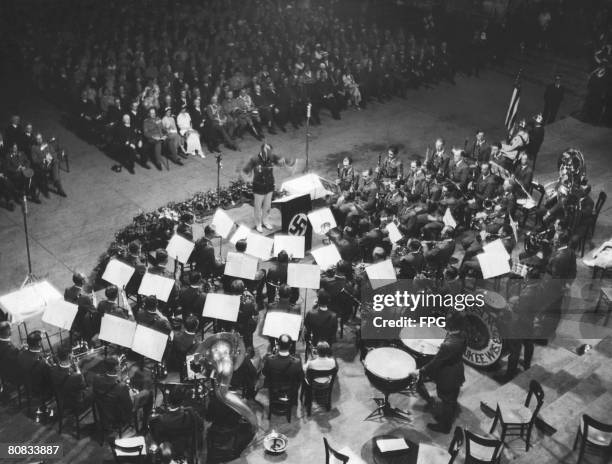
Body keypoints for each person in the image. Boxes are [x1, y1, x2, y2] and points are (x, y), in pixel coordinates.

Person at [413, 311, 467, 433]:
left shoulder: (448, 345)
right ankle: (445, 418)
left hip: (448, 375)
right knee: (451, 399)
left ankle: (445, 426)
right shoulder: (462, 334)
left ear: (450, 324)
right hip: (457, 368)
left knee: (447, 399)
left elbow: (435, 363)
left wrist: (420, 371)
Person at [91, 356, 153, 433]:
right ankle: (144, 427)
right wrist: (134, 395)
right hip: (117, 415)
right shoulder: (121, 386)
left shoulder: (96, 378)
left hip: (103, 409)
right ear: (116, 367)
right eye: (118, 365)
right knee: (149, 395)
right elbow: (129, 407)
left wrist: (118, 377)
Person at [242, 143, 294, 232]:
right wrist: (247, 180)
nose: (269, 154)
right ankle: (258, 224)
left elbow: (281, 162)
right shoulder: (255, 159)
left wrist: (283, 162)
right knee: (258, 207)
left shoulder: (272, 157)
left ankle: (265, 221)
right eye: (267, 151)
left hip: (269, 186)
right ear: (262, 151)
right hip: (258, 187)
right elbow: (245, 171)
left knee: (267, 205)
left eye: (270, 151)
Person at [149, 386, 204, 459]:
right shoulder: (191, 414)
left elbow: (156, 437)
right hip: (186, 451)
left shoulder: (161, 419)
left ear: (168, 401)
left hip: (169, 452)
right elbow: (201, 426)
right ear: (182, 401)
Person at [49, 346, 92, 412]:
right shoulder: (77, 376)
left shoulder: (52, 370)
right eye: (72, 354)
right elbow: (84, 386)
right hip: (74, 402)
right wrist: (78, 370)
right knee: (93, 389)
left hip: (61, 399)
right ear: (69, 356)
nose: (73, 355)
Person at [262, 334, 303, 400]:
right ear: (290, 345)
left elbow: (265, 375)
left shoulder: (270, 360)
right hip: (290, 393)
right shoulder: (297, 362)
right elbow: (300, 379)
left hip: (274, 392)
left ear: (278, 345)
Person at [17, 331, 51, 400]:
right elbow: (50, 377)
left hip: (27, 384)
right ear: (39, 343)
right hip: (40, 389)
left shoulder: (20, 354)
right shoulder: (43, 362)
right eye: (42, 339)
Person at [30, 133, 67, 197]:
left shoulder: (46, 144)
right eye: (37, 139)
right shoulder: (34, 148)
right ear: (35, 140)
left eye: (40, 138)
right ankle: (58, 186)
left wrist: (51, 157)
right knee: (55, 166)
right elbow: (34, 160)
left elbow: (53, 153)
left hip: (51, 162)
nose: (39, 140)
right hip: (43, 165)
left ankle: (57, 183)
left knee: (56, 162)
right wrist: (43, 159)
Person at [0, 322, 20, 387]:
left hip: (4, 373)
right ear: (7, 331)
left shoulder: (3, 342)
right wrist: (20, 351)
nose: (12, 330)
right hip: (12, 377)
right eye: (10, 329)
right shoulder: (8, 347)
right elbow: (16, 362)